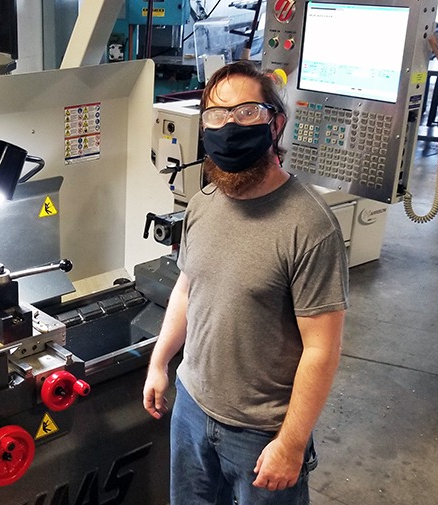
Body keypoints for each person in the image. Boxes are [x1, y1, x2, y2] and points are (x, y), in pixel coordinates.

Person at [142, 60, 348, 504]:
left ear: (276, 123)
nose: (230, 125)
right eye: (216, 114)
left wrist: (291, 445)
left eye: (247, 112)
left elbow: (322, 349)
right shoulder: (203, 203)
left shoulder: (310, 226)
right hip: (192, 409)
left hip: (261, 434)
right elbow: (187, 288)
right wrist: (161, 363)